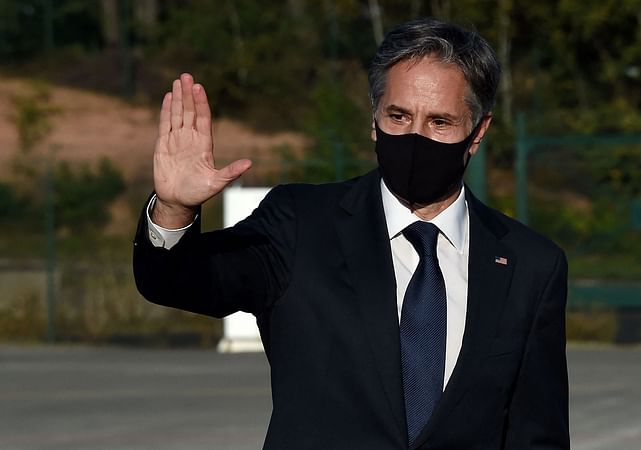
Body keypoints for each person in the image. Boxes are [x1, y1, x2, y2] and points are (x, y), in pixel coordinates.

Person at [133, 18, 568, 450]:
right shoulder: (300, 224)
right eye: (399, 116)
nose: (416, 137)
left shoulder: (531, 265)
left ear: (477, 133)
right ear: (374, 119)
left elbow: (538, 433)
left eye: (440, 122)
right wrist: (174, 208)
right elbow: (183, 281)